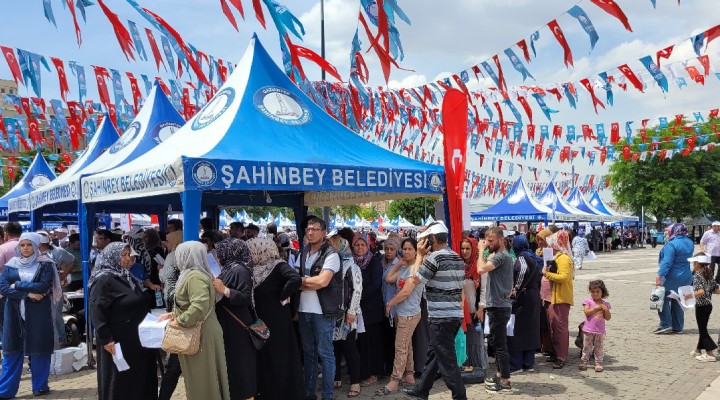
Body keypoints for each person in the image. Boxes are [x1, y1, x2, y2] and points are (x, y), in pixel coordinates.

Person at [157, 242, 230, 400]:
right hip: (200, 329)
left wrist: (180, 320)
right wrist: (172, 315)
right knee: (203, 379)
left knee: (203, 381)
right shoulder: (193, 274)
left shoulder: (195, 276)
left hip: (200, 333)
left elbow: (199, 306)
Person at [403, 221, 466, 400]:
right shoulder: (457, 257)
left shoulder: (434, 258)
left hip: (441, 317)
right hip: (454, 315)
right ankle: (422, 389)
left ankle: (460, 395)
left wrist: (419, 256)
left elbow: (415, 279)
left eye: (425, 240)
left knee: (447, 361)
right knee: (435, 354)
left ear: (432, 239)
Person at [89, 242, 158, 399]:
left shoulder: (126, 276)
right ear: (112, 257)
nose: (128, 259)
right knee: (120, 380)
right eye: (123, 255)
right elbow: (97, 310)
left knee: (137, 378)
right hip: (117, 341)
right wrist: (106, 339)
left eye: (129, 254)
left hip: (136, 339)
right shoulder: (104, 280)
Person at [0, 233, 61, 398]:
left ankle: (40, 387)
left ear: (35, 246)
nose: (25, 248)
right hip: (14, 312)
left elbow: (42, 286)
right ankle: (5, 391)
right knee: (12, 349)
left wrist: (18, 284)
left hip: (38, 312)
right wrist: (27, 294)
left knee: (39, 348)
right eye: (22, 245)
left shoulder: (46, 265)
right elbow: (3, 288)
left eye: (29, 244)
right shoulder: (11, 265)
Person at [246, 238, 304, 399]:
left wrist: (282, 296)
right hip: (261, 321)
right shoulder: (254, 269)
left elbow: (295, 279)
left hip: (278, 321)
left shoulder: (278, 265)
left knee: (280, 358)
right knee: (266, 358)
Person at [297, 217, 343, 400]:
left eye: (315, 229)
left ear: (324, 233)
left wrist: (301, 282)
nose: (311, 232)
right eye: (309, 229)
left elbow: (323, 281)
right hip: (303, 310)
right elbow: (298, 280)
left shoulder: (331, 254)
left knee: (326, 353)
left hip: (323, 311)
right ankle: (309, 394)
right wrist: (310, 283)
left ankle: (327, 395)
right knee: (308, 354)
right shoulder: (304, 252)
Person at [377, 237, 425, 396]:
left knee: (400, 347)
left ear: (416, 251)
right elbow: (388, 278)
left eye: (410, 249)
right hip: (402, 313)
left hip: (409, 313)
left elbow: (406, 292)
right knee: (406, 345)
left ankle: (394, 380)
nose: (406, 251)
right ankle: (409, 375)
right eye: (404, 249)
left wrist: (390, 303)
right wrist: (398, 263)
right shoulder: (405, 267)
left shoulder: (417, 269)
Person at [212, 238, 257, 400]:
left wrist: (224, 290)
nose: (218, 256)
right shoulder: (228, 268)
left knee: (242, 364)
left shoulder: (240, 270)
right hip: (229, 323)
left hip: (239, 325)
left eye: (220, 252)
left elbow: (245, 298)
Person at [477, 227, 514, 394]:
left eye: (491, 241)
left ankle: (505, 381)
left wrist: (480, 251)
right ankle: (500, 375)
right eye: (486, 240)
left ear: (501, 239)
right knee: (495, 342)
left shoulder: (501, 256)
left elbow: (480, 269)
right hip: (496, 305)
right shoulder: (499, 256)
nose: (487, 244)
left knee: (500, 345)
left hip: (499, 306)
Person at [327, 235, 363, 398]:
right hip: (333, 312)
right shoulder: (332, 262)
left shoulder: (352, 266)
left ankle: (355, 382)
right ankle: (336, 377)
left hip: (347, 312)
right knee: (335, 347)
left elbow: (357, 289)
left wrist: (351, 311)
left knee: (349, 348)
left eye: (333, 245)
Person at [507, 235, 542, 374]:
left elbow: (522, 271)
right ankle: (529, 362)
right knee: (530, 329)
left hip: (524, 297)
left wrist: (516, 288)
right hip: (534, 296)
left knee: (518, 330)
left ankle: (516, 364)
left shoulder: (522, 257)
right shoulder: (534, 257)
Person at [353, 234, 385, 387]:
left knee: (371, 342)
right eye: (357, 245)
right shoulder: (352, 262)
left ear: (368, 246)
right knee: (361, 343)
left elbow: (375, 284)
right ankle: (362, 372)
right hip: (357, 309)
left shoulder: (374, 262)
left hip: (371, 309)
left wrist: (357, 296)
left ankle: (373, 374)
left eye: (362, 245)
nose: (360, 248)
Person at [542, 230, 574, 369]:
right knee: (554, 326)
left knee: (560, 328)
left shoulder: (564, 259)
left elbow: (564, 277)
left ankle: (561, 356)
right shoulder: (558, 257)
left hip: (561, 298)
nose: (550, 247)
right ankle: (557, 353)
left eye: (551, 244)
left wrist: (547, 274)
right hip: (555, 297)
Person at [37, 233, 75, 346]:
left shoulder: (57, 251)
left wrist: (63, 275)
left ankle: (60, 340)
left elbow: (72, 261)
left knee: (56, 315)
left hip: (54, 289)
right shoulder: (35, 253)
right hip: (42, 289)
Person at [655, 223, 694, 334]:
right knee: (678, 300)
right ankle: (678, 327)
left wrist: (659, 275)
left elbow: (667, 262)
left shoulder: (671, 244)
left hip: (672, 276)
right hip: (686, 276)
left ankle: (665, 324)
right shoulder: (690, 242)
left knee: (662, 299)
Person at [458, 237, 488, 376]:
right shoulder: (457, 265)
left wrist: (481, 307)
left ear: (474, 249)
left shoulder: (479, 266)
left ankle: (476, 366)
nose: (464, 251)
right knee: (463, 339)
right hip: (460, 311)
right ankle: (463, 364)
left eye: (468, 248)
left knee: (475, 339)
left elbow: (484, 289)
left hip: (475, 310)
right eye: (462, 248)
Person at [685, 253, 720, 362]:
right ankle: (698, 350)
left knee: (703, 330)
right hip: (709, 305)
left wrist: (688, 296)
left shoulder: (697, 275)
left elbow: (700, 291)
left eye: (693, 263)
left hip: (701, 306)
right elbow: (715, 290)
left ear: (697, 264)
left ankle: (709, 353)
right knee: (703, 327)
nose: (692, 265)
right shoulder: (709, 273)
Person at [579, 280, 611, 372]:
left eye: (597, 292)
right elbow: (586, 312)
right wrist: (595, 308)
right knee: (586, 347)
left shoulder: (605, 304)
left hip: (600, 331)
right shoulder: (588, 301)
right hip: (588, 329)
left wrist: (606, 310)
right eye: (592, 292)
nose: (595, 294)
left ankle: (598, 363)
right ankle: (584, 361)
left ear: (602, 292)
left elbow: (608, 318)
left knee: (599, 347)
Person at [380, 235, 401, 376]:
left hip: (393, 306)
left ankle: (392, 368)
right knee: (385, 338)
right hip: (382, 304)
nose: (388, 252)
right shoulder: (382, 263)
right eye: (386, 249)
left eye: (392, 249)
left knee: (393, 339)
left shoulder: (398, 265)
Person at [535, 228, 555, 358]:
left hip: (549, 286)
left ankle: (549, 346)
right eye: (538, 239)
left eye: (542, 239)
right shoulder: (538, 251)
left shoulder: (552, 252)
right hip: (538, 285)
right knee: (541, 317)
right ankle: (541, 344)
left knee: (549, 318)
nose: (540, 242)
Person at [0, 222, 22, 337]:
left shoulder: (2, 249)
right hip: (27, 291)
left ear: (6, 233)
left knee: (6, 325)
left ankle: (8, 351)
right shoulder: (31, 248)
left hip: (6, 293)